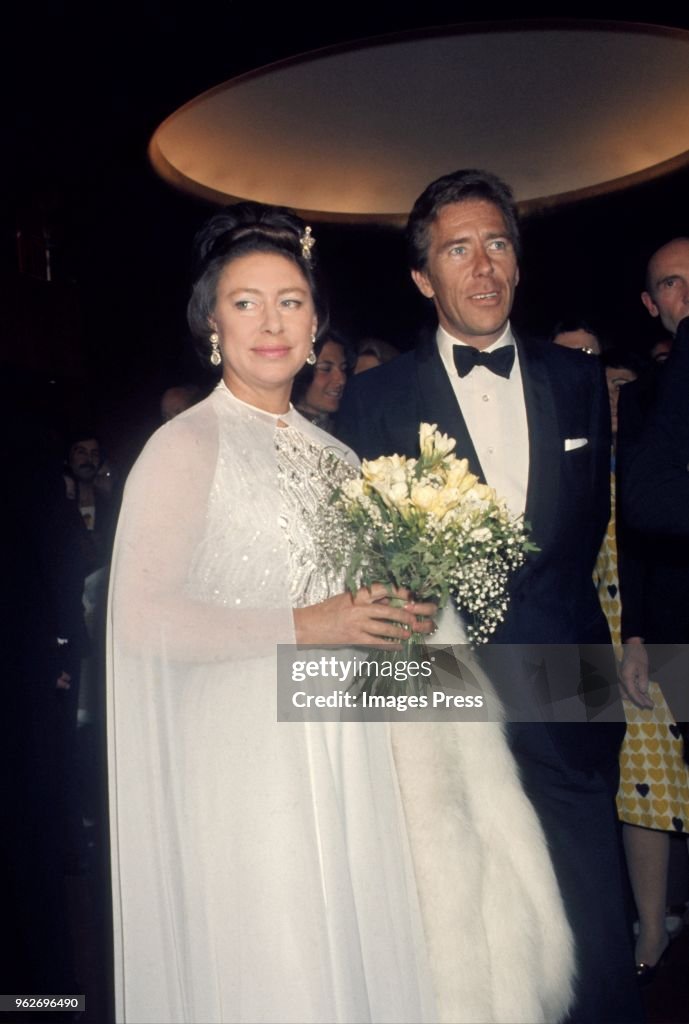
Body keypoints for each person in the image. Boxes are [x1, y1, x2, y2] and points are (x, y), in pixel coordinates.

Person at [107, 201, 574, 1024]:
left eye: (290, 301)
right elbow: (143, 620)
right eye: (244, 302)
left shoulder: (337, 458)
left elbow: (352, 608)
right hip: (248, 762)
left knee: (358, 962)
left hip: (351, 754)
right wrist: (306, 626)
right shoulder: (186, 445)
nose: (271, 322)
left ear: (316, 319)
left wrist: (404, 607)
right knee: (279, 966)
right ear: (211, 322)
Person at [337, 169, 643, 1023]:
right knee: (471, 919)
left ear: (518, 261)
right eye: (457, 249)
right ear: (421, 276)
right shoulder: (373, 400)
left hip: (566, 672)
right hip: (446, 691)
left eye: (497, 244)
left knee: (590, 895)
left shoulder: (576, 379)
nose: (482, 268)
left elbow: (591, 532)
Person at [291, 330, 351, 431]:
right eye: (326, 369)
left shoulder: (350, 431)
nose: (341, 380)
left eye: (343, 369)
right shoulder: (272, 429)